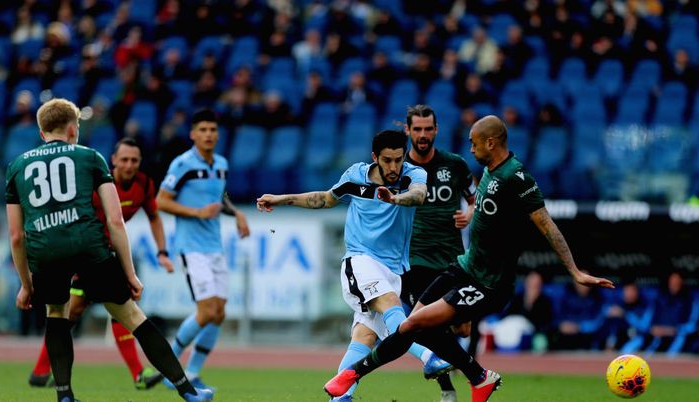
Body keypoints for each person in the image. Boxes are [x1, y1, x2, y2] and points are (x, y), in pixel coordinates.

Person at [324, 115, 614, 402]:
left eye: (474, 143)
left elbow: (547, 224)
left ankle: (353, 375)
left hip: (489, 282)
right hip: (464, 266)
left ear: (490, 143)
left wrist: (574, 271)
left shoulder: (515, 177)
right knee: (414, 324)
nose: (471, 148)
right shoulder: (487, 169)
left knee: (419, 326)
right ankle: (470, 379)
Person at [6, 98, 212, 402]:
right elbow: (115, 221)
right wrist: (129, 273)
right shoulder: (90, 157)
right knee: (131, 315)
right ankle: (188, 391)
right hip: (88, 248)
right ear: (73, 129)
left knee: (56, 313)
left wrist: (26, 284)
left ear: (41, 133)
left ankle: (64, 396)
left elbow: (15, 236)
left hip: (45, 252)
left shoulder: (17, 167)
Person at [257, 129, 451, 402]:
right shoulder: (355, 176)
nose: (394, 166)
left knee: (365, 337)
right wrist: (281, 198)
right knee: (392, 306)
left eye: (398, 159)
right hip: (359, 262)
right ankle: (428, 356)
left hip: (393, 269)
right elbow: (324, 199)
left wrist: (395, 198)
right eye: (387, 160)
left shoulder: (414, 175)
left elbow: (418, 195)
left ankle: (340, 397)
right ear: (375, 157)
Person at [28, 137, 175, 390]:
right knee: (73, 312)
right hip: (85, 253)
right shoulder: (97, 181)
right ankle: (41, 372)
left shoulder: (145, 184)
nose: (129, 165)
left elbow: (154, 217)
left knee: (117, 308)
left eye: (135, 160)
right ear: (114, 160)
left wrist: (162, 251)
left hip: (106, 256)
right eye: (124, 160)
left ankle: (138, 373)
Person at [156, 108, 250, 391]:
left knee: (219, 313)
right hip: (191, 246)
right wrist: (196, 212)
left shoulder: (221, 163)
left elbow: (219, 196)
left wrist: (237, 214)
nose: (209, 134)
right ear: (193, 134)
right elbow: (161, 201)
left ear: (217, 134)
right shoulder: (182, 164)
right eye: (203, 130)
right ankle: (168, 367)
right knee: (207, 310)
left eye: (213, 129)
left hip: (214, 245)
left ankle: (193, 373)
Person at [401, 104, 476, 402]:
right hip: (415, 259)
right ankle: (448, 388)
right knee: (422, 322)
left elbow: (475, 198)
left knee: (463, 328)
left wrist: (469, 213)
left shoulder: (454, 165)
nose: (422, 135)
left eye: (427, 129)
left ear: (436, 130)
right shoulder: (400, 169)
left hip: (452, 258)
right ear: (408, 130)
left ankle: (463, 370)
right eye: (417, 129)